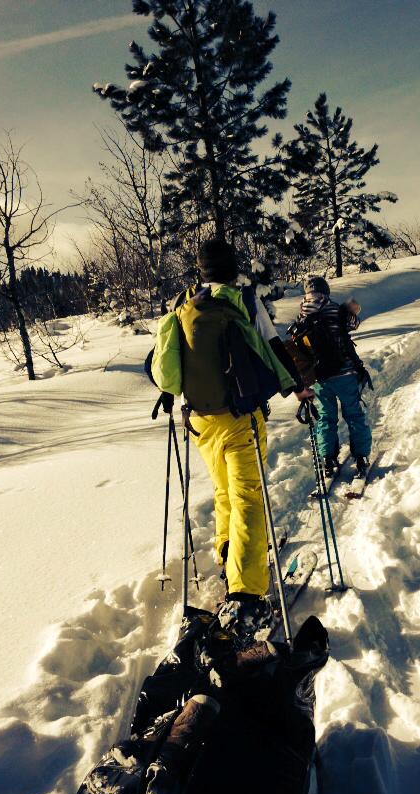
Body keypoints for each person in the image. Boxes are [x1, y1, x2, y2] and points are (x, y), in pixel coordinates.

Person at [151, 239, 312, 639]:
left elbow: (166, 364)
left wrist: (169, 394)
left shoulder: (183, 303)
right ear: (233, 266)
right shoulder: (243, 298)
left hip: (201, 421)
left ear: (200, 268)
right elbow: (272, 346)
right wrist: (298, 389)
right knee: (248, 499)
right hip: (241, 418)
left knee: (224, 494)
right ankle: (247, 595)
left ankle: (228, 556)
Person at [297, 276, 372, 477]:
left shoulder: (301, 315)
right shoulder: (335, 309)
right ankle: (361, 457)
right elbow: (353, 323)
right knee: (354, 414)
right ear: (326, 291)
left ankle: (328, 458)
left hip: (320, 376)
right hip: (344, 373)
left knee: (325, 417)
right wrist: (352, 309)